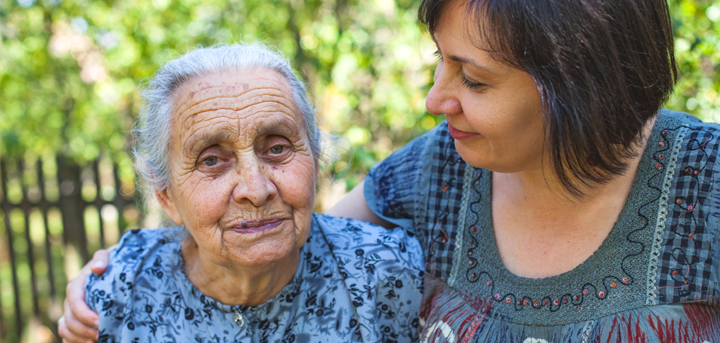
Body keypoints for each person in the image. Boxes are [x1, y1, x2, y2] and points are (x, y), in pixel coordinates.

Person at [62, 0, 720, 341]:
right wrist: (121, 272)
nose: (436, 99)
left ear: (580, 84)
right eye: (441, 59)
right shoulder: (439, 168)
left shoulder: (704, 182)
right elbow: (280, 235)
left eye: (476, 79)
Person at [57, 43, 424, 343]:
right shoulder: (118, 292)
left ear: (315, 161)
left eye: (277, 149)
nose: (256, 189)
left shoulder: (387, 272)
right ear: (167, 196)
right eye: (212, 160)